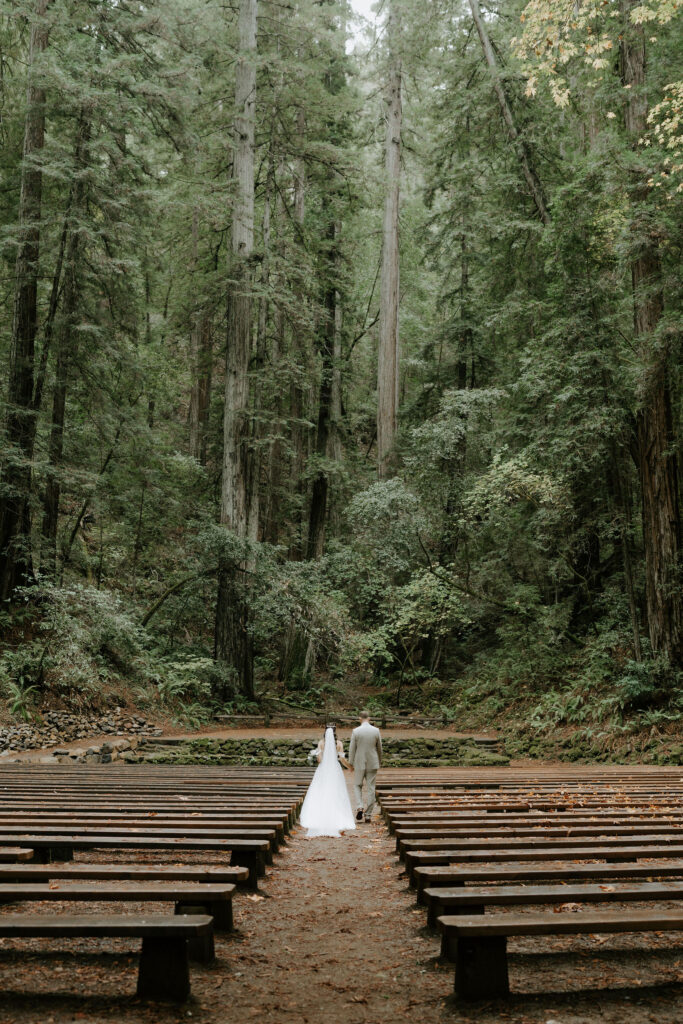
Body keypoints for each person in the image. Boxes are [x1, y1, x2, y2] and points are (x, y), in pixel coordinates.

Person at [299, 725, 356, 838]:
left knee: (321, 792)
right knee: (336, 792)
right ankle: (336, 815)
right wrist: (350, 767)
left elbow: (319, 760)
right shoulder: (339, 744)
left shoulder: (321, 743)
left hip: (323, 770)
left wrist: (317, 754)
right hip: (335, 769)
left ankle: (321, 815)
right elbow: (342, 759)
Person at [348, 710, 382, 823]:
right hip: (372, 762)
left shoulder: (356, 731)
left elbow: (352, 749)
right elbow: (379, 748)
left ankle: (359, 806)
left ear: (359, 718)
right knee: (371, 788)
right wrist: (379, 761)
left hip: (359, 762)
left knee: (357, 785)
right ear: (369, 718)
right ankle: (368, 815)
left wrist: (350, 763)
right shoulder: (376, 731)